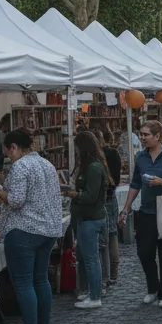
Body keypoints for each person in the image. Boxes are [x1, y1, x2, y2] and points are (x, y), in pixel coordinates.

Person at [0, 129, 64, 324]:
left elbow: (16, 200)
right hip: (47, 229)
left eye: (8, 152)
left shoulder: (20, 166)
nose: (8, 157)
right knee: (40, 279)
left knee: (24, 283)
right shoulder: (46, 164)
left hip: (24, 230)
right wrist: (2, 188)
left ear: (14, 147)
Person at [118, 120, 162, 306]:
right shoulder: (140, 157)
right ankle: (153, 287)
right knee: (144, 252)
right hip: (146, 211)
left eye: (146, 134)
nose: (142, 138)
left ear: (157, 136)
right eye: (141, 134)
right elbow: (135, 184)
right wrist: (126, 208)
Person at [66, 130, 111, 310]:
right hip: (88, 217)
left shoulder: (93, 168)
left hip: (90, 218)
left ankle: (95, 295)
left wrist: (75, 194)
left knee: (91, 259)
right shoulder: (94, 166)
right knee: (87, 257)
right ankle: (91, 291)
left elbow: (91, 196)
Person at [98, 129, 122, 287]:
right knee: (112, 233)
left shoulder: (97, 157)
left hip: (102, 199)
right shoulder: (114, 153)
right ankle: (114, 272)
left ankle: (105, 275)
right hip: (112, 195)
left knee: (104, 237)